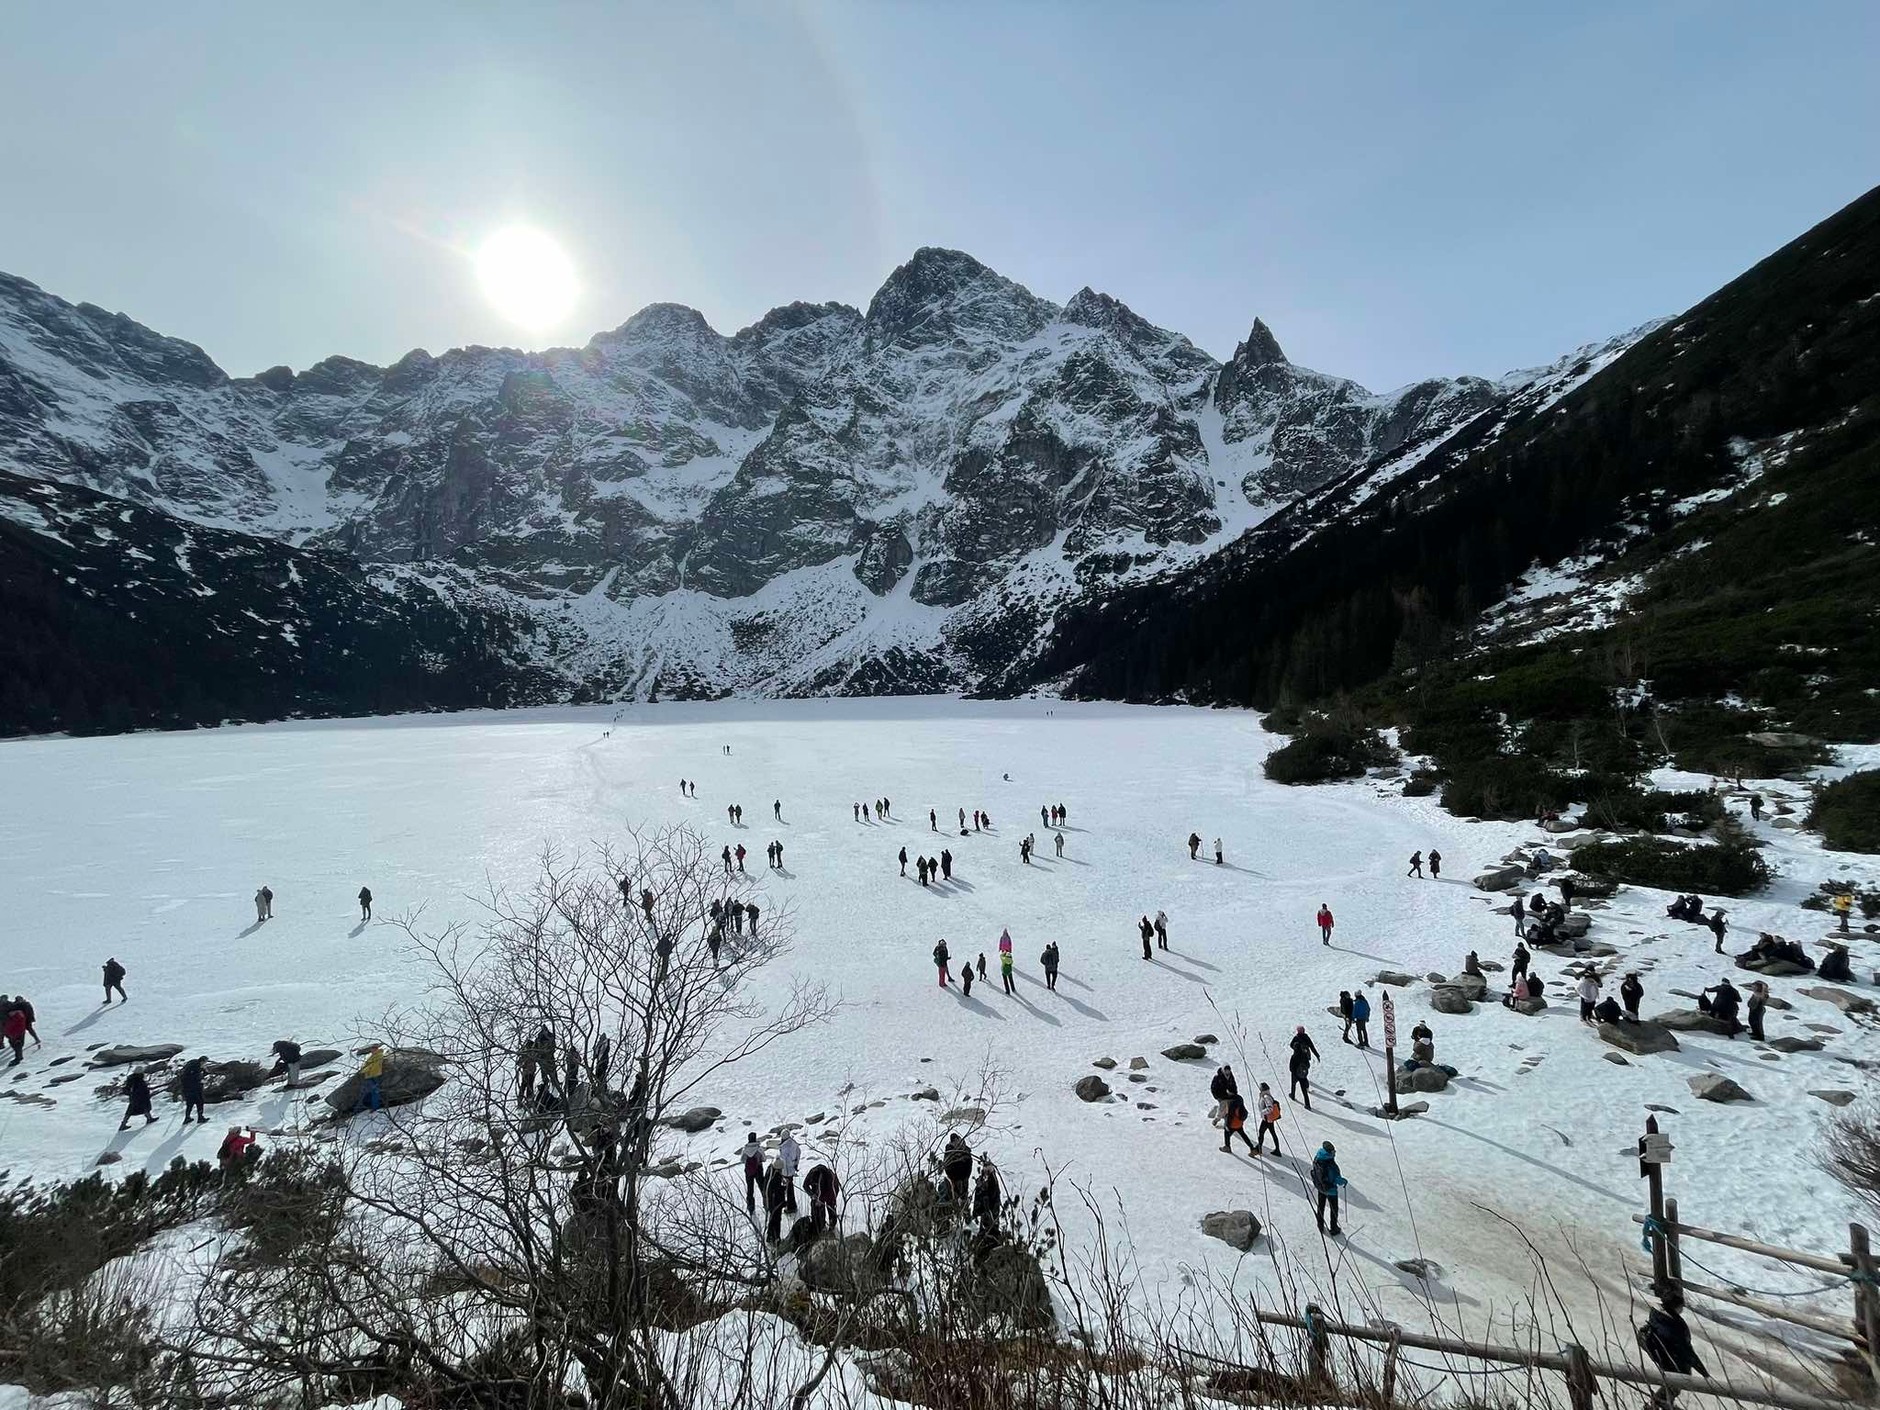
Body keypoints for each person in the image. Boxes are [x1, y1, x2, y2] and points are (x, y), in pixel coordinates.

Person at [1310, 1142, 1346, 1236]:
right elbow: (1335, 1179)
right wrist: (1343, 1181)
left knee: (1321, 1206)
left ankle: (1320, 1224)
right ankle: (1333, 1228)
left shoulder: (1318, 1157)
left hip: (1320, 1187)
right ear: (1329, 1153)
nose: (1335, 1153)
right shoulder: (1329, 1164)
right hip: (1331, 1190)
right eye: (1333, 1152)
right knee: (1334, 1209)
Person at [1289, 1026, 1320, 1107]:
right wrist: (1317, 1055)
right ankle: (1307, 1104)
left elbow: (1291, 1045)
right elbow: (1312, 1047)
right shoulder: (1306, 1038)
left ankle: (1293, 1095)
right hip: (1303, 1069)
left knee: (1293, 1083)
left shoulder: (1296, 1040)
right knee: (1303, 1086)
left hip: (1295, 1070)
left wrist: (1292, 1070)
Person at [805, 1162, 840, 1233]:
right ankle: (819, 1226)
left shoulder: (829, 1179)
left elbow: (832, 1193)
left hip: (830, 1191)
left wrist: (820, 1200)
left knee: (831, 1207)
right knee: (816, 1208)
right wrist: (812, 1195)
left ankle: (832, 1226)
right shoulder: (811, 1174)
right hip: (817, 1193)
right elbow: (805, 1185)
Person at [972, 1154, 1001, 1233]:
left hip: (991, 1209)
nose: (986, 1173)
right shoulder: (982, 1179)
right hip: (984, 1209)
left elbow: (995, 1195)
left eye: (988, 1171)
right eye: (985, 1170)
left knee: (991, 1229)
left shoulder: (993, 1181)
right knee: (984, 1229)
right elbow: (977, 1195)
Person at [1220, 1090, 1256, 1155]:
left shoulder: (1232, 1103)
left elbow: (1230, 1116)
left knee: (1226, 1132)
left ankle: (1227, 1147)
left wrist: (1227, 1125)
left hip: (1233, 1123)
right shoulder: (1239, 1098)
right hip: (1239, 1122)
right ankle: (1252, 1148)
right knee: (1243, 1135)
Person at [763, 1159, 790, 1243]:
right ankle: (776, 1238)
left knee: (772, 1219)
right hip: (775, 1203)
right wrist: (785, 1186)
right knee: (776, 1220)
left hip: (769, 1200)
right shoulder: (776, 1177)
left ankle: (770, 1237)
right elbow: (778, 1191)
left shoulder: (770, 1170)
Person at [739, 1131, 765, 1214]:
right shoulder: (759, 1149)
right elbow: (764, 1159)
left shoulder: (745, 1149)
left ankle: (751, 1207)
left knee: (750, 1189)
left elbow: (742, 1160)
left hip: (748, 1171)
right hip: (758, 1169)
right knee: (762, 1187)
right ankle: (766, 1203)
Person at [942, 1134, 973, 1204]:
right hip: (955, 1178)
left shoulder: (965, 1150)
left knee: (963, 1194)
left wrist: (966, 1175)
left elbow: (969, 1162)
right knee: (955, 1195)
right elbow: (947, 1165)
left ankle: (964, 1203)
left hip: (964, 1176)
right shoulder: (949, 1150)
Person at [354, 1045, 385, 1112]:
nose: (371, 1050)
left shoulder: (378, 1055)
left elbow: (373, 1066)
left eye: (373, 1049)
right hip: (369, 1075)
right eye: (371, 1049)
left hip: (373, 1075)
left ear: (376, 1049)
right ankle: (369, 1105)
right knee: (369, 1091)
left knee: (374, 1092)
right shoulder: (373, 1055)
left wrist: (364, 1070)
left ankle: (375, 1107)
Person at [179, 1055, 208, 1123]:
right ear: (202, 1061)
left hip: (186, 1089)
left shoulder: (193, 1063)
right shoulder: (196, 1068)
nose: (205, 1064)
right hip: (194, 1089)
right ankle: (200, 1117)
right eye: (205, 1063)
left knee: (190, 1103)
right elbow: (195, 1077)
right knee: (200, 1102)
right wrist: (201, 1080)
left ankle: (187, 1117)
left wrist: (204, 1070)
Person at [1254, 1083, 1282, 1153]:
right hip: (1269, 1119)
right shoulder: (1265, 1095)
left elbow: (1270, 1108)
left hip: (1267, 1119)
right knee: (1272, 1133)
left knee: (1261, 1132)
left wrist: (1262, 1112)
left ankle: (1259, 1148)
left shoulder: (1266, 1097)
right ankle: (1277, 1150)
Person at [778, 1132, 801, 1213]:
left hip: (786, 1170)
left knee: (788, 1189)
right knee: (789, 1188)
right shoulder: (794, 1144)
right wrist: (796, 1164)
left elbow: (785, 1159)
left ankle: (790, 1206)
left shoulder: (786, 1146)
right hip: (791, 1169)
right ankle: (791, 1205)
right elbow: (798, 1154)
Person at [2, 1003, 27, 1068]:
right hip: (13, 1034)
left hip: (16, 1034)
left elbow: (14, 1026)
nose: (9, 1014)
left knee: (17, 1046)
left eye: (10, 1012)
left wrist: (12, 1035)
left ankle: (18, 1058)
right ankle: (19, 1057)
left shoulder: (18, 1017)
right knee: (15, 1045)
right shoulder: (15, 1016)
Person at [999, 930, 1016, 995]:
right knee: (1011, 980)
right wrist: (1009, 951)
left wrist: (1003, 952)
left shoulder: (1003, 959)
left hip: (1004, 971)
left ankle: (1007, 991)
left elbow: (1001, 956)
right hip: (1009, 970)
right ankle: (1013, 988)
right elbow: (1010, 943)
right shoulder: (1011, 960)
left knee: (1005, 981)